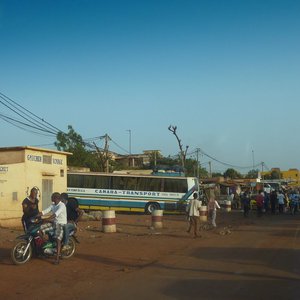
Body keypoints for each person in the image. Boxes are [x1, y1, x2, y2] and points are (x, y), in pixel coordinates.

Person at [38, 192, 67, 265]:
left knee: (58, 239)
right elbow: (44, 212)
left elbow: (55, 215)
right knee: (39, 228)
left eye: (52, 197)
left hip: (60, 224)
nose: (51, 198)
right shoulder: (53, 205)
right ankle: (47, 244)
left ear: (56, 198)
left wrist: (46, 219)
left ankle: (57, 258)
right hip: (54, 223)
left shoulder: (62, 205)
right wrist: (35, 215)